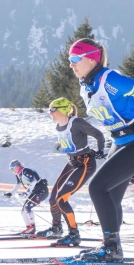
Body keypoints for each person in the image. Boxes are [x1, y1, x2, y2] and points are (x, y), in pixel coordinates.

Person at [71, 37, 134, 262]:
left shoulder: (109, 80)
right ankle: (111, 245)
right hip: (119, 142)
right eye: (70, 59)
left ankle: (111, 248)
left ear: (91, 59)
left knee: (98, 187)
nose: (71, 64)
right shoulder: (87, 85)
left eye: (75, 58)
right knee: (112, 195)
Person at [45, 97, 105, 246]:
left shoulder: (76, 122)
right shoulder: (59, 126)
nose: (50, 113)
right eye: (49, 110)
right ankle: (56, 228)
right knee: (53, 198)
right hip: (72, 162)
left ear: (63, 110)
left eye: (52, 110)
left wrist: (100, 150)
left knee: (61, 198)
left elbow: (98, 134)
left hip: (85, 163)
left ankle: (73, 234)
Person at [7, 160, 48, 237]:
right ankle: (29, 228)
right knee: (23, 211)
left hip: (41, 191)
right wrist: (11, 193)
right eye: (10, 169)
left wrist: (26, 192)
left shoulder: (25, 170)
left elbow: (34, 181)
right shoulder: (19, 174)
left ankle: (32, 228)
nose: (12, 170)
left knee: (27, 207)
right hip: (35, 192)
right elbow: (18, 184)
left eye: (12, 168)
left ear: (17, 166)